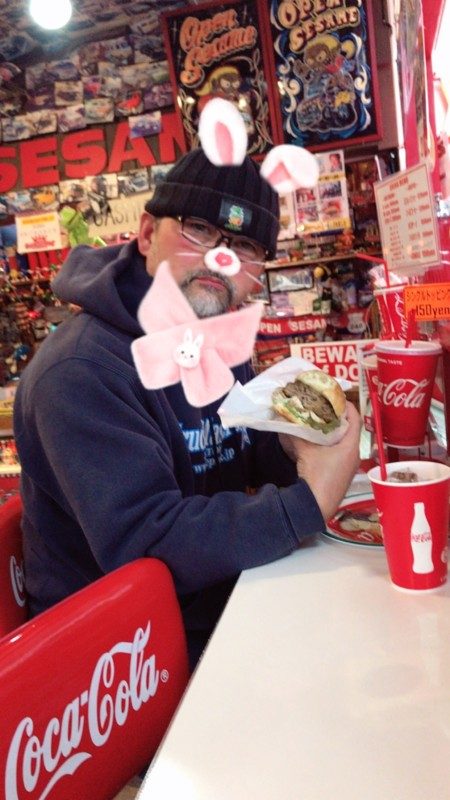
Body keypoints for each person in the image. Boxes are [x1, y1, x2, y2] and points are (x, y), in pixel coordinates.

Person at [14, 149, 361, 667]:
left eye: (246, 246)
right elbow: (147, 542)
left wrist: (299, 442)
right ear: (147, 233)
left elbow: (240, 446)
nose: (222, 259)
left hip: (216, 606)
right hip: (118, 660)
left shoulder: (209, 333)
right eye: (199, 230)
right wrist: (307, 501)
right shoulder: (82, 371)